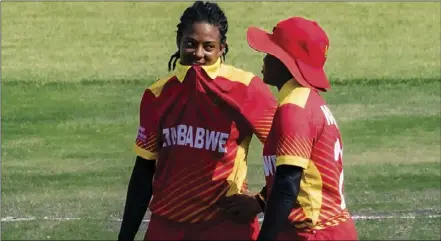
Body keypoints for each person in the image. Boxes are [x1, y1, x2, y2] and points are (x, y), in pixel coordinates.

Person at [117, 1, 278, 240]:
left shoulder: (246, 89)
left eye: (208, 46)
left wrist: (262, 200)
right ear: (178, 41)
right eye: (190, 44)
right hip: (168, 225)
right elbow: (143, 170)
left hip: (226, 225)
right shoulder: (157, 95)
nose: (198, 53)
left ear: (222, 48)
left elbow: (284, 148)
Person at [238, 16, 358, 240]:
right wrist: (260, 201)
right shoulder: (308, 101)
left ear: (286, 62)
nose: (264, 58)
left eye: (271, 52)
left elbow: (287, 186)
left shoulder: (294, 109)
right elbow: (300, 177)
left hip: (314, 235)